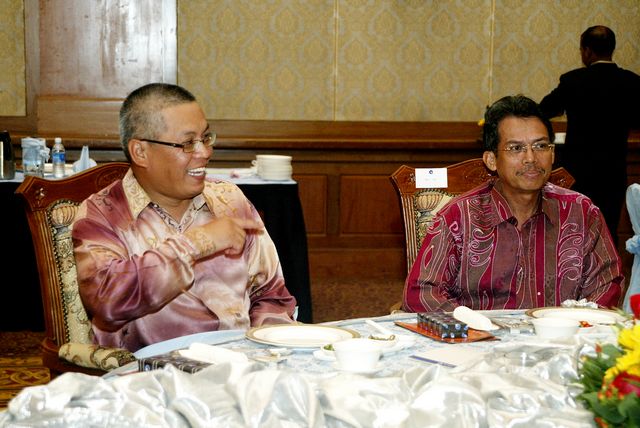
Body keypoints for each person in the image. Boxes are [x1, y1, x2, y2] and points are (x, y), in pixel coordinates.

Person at [72, 83, 297, 352]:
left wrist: (266, 350)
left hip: (241, 363)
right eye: (188, 143)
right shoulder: (104, 214)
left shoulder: (229, 200)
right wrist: (197, 243)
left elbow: (270, 294)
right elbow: (107, 299)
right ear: (140, 152)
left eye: (206, 138)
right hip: (151, 370)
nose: (204, 152)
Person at [402, 94, 623, 313]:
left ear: (553, 154)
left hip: (561, 333)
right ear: (491, 160)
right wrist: (474, 325)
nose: (531, 158)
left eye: (540, 146)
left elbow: (607, 284)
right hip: (479, 334)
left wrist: (571, 325)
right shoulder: (458, 217)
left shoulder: (581, 212)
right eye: (516, 148)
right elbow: (420, 292)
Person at [539, 25, 640, 245]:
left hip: (578, 172)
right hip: (614, 171)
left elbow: (543, 110)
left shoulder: (572, 80)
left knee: (576, 229)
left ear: (587, 51)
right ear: (612, 49)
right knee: (608, 230)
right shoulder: (632, 82)